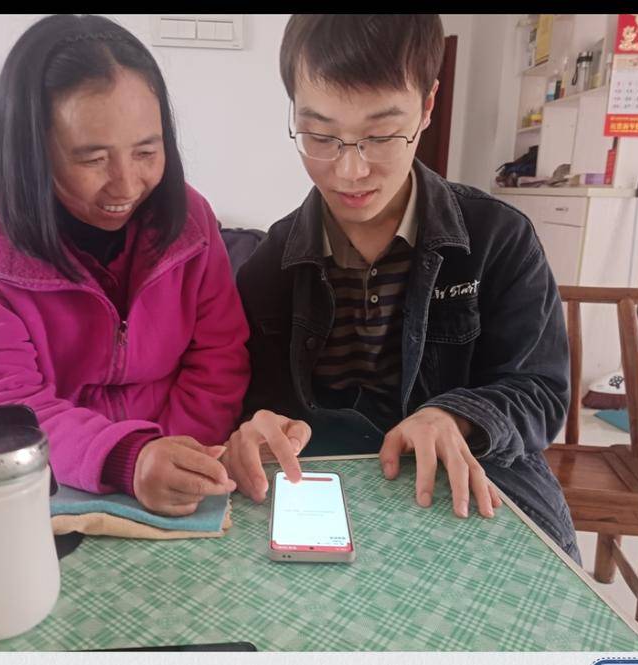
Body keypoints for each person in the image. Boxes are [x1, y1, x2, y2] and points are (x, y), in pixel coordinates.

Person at [222, 14, 580, 560]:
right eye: (320, 136)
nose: (350, 170)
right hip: (328, 499)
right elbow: (256, 401)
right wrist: (256, 426)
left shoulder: (497, 239)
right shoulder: (271, 265)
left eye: (382, 135)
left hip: (465, 490)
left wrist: (455, 415)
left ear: (428, 105)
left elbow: (540, 392)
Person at [0, 14, 248, 516]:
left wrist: (172, 457)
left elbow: (220, 359)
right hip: (51, 481)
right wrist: (127, 459)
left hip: (182, 472)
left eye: (146, 151)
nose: (126, 185)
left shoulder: (191, 219)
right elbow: (1, 402)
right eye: (92, 159)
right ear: (31, 152)